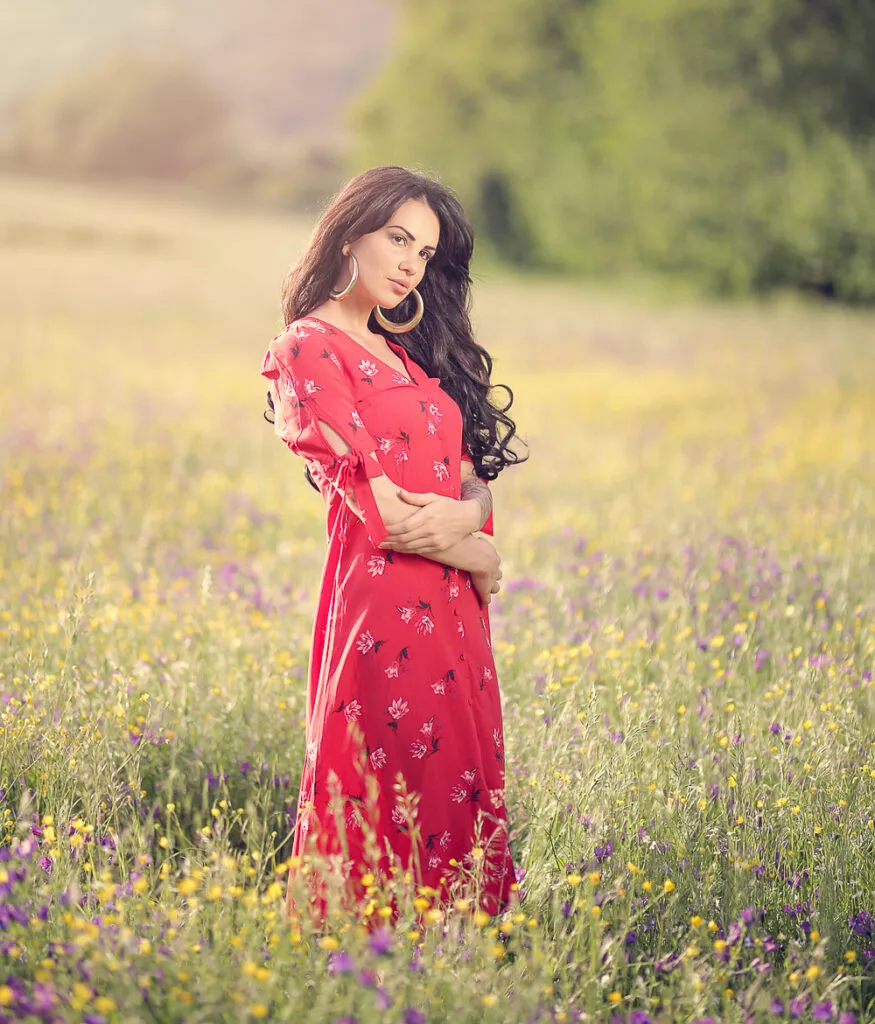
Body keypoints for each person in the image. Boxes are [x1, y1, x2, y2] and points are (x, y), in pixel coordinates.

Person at [260, 165, 527, 927]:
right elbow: (380, 511)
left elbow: (468, 476)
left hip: (454, 613)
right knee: (389, 781)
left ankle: (456, 959)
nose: (411, 263)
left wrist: (472, 519)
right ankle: (363, 958)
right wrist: (476, 551)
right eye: (398, 239)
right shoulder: (307, 347)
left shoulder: (403, 355)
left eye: (425, 252)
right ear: (350, 234)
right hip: (384, 606)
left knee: (456, 782)